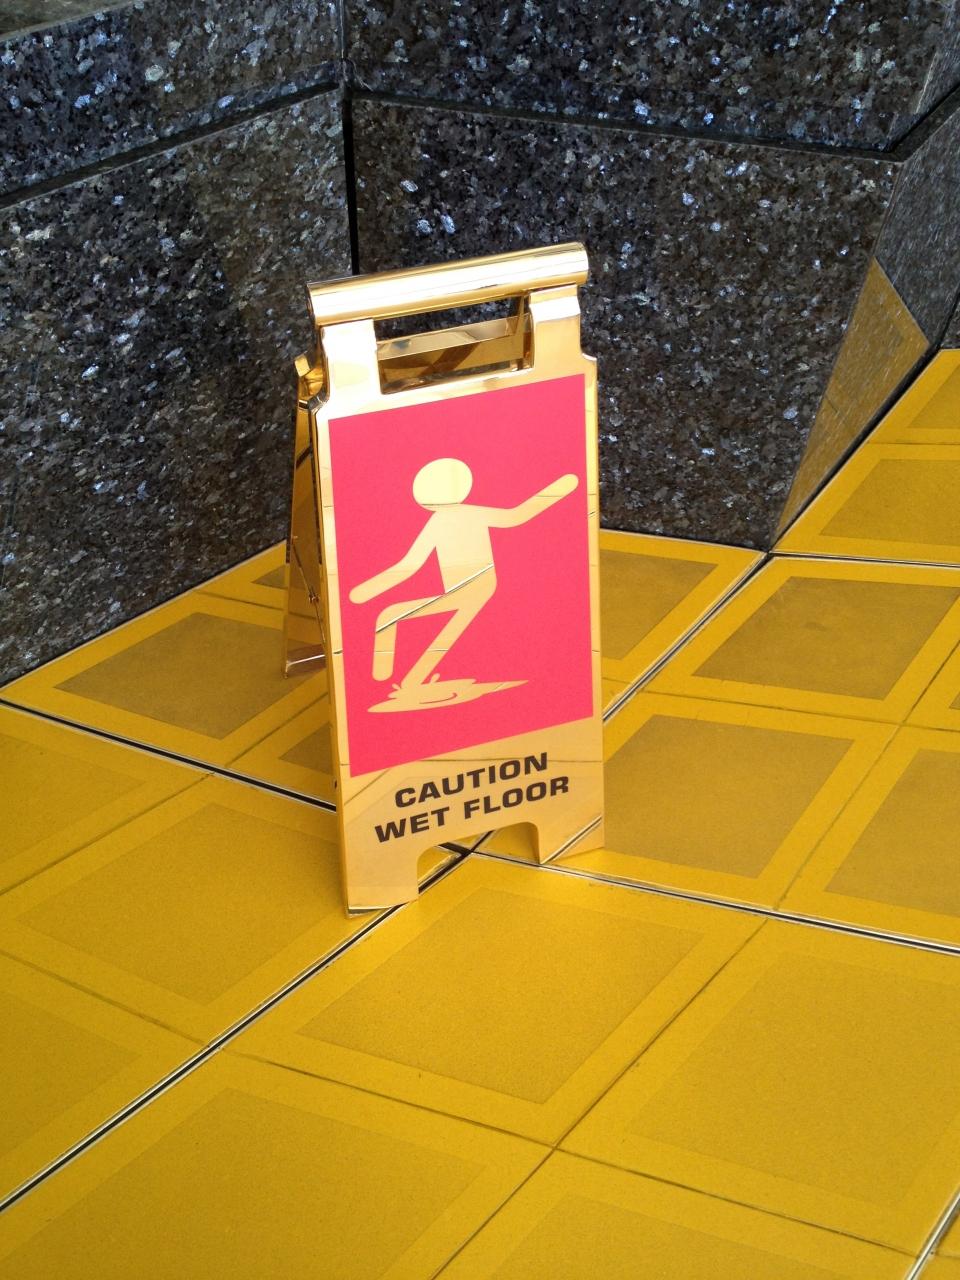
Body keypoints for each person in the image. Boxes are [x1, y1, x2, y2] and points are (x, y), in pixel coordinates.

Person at [349, 457, 578, 703]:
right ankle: (394, 679)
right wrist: (367, 591)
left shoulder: (472, 514)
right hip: (457, 589)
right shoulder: (437, 522)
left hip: (478, 586)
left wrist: (560, 488)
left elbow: (515, 516)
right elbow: (410, 564)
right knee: (391, 616)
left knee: (440, 631)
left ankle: (407, 682)